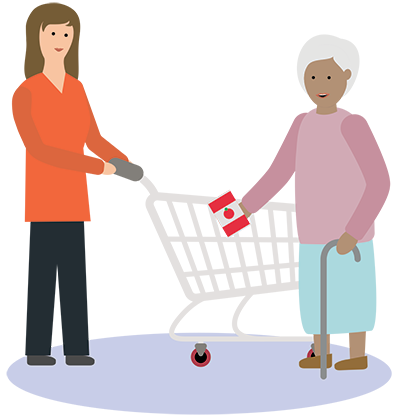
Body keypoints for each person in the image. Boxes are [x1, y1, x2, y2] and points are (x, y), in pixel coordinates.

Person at [238, 57, 392, 370]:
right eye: (313, 78)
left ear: (346, 79)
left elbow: (377, 178)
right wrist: (249, 205)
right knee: (315, 292)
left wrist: (355, 230)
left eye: (329, 78)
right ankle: (321, 351)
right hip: (311, 228)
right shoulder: (300, 121)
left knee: (354, 296)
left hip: (357, 233)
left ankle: (357, 354)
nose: (320, 86)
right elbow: (284, 171)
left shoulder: (358, 119)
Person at [6, 20, 134, 366]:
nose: (60, 41)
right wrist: (92, 165)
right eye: (52, 34)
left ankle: (77, 338)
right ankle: (38, 343)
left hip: (81, 192)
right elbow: (34, 146)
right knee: (41, 271)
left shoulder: (78, 88)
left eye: (66, 34)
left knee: (102, 271)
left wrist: (106, 166)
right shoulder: (26, 89)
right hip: (39, 192)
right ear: (38, 37)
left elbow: (91, 137)